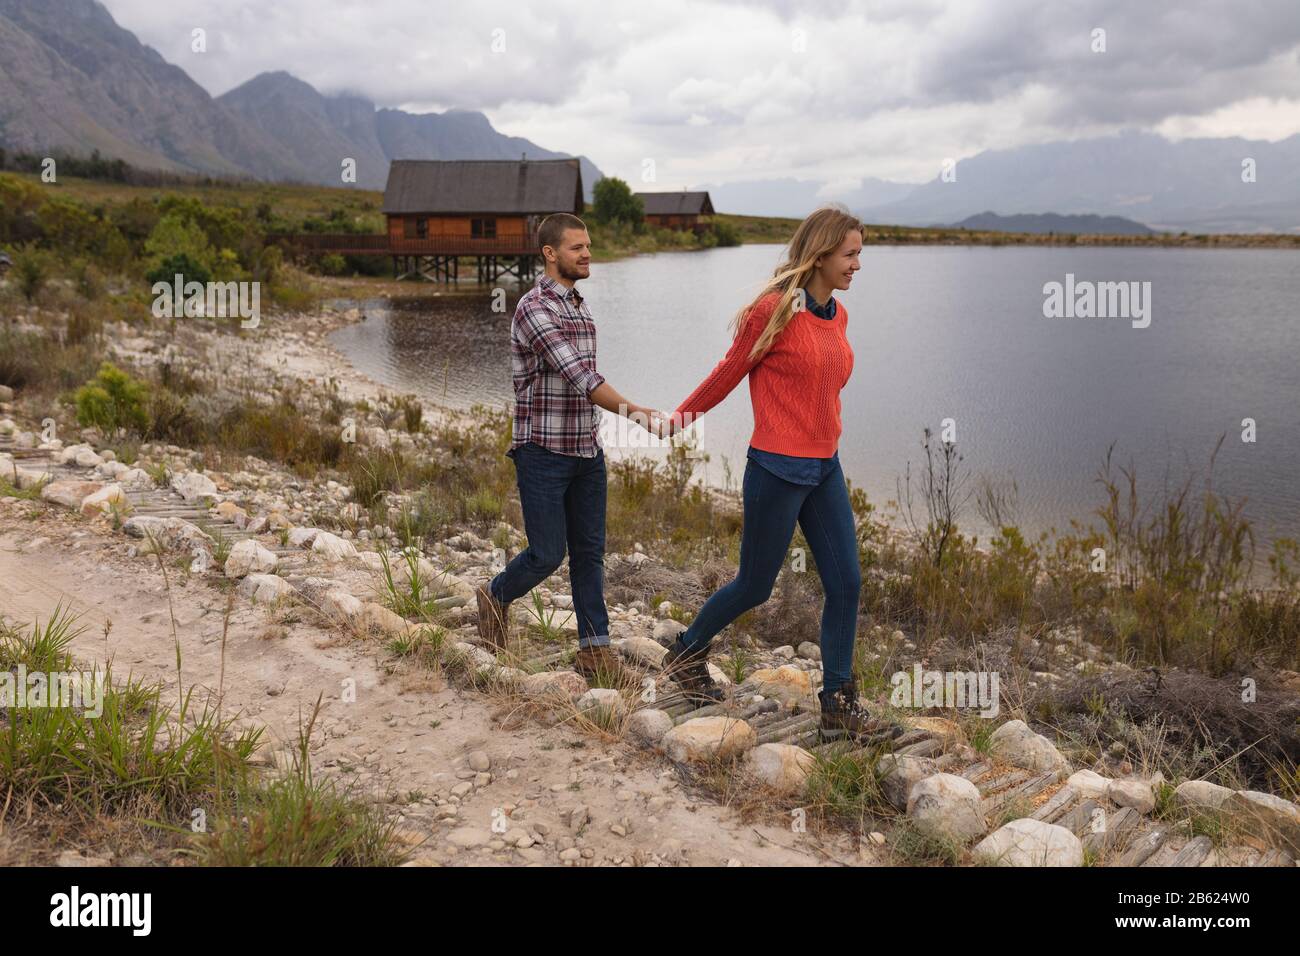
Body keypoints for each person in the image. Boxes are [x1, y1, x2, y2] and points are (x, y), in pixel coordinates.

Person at [658, 205, 891, 739]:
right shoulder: (772, 311)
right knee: (756, 585)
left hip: (824, 467)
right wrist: (679, 419)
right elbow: (728, 371)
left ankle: (838, 705)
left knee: (847, 582)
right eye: (851, 254)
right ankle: (687, 652)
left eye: (859, 254)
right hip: (775, 468)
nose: (858, 264)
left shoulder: (839, 315)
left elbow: (823, 387)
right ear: (822, 253)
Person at [475, 213, 663, 686]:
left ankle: (595, 651)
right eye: (577, 248)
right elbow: (580, 376)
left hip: (585, 450)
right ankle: (495, 596)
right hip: (542, 450)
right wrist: (639, 414)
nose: (587, 254)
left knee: (589, 553)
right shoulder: (534, 309)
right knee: (546, 554)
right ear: (550, 254)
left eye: (589, 246)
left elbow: (584, 378)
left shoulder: (579, 304)